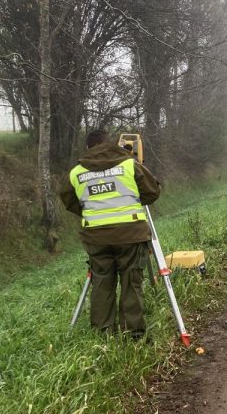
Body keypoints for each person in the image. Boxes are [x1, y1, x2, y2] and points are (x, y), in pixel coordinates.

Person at [60, 130, 161, 339]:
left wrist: (93, 211)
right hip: (130, 235)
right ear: (110, 144)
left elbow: (70, 201)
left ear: (88, 148)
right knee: (131, 283)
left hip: (96, 238)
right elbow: (152, 192)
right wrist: (131, 202)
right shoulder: (129, 165)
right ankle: (133, 334)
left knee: (102, 283)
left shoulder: (76, 173)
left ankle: (103, 335)